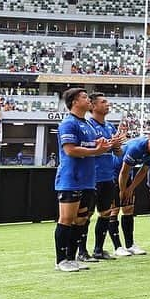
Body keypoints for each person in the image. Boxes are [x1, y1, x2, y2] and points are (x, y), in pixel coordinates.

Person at [52, 88, 113, 272]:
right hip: (71, 178)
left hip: (87, 180)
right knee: (66, 219)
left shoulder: (88, 124)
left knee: (81, 220)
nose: (89, 101)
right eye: (85, 98)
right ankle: (61, 260)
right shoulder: (68, 124)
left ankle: (72, 257)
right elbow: (70, 150)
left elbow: (94, 145)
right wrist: (96, 151)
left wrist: (107, 145)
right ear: (74, 102)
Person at [87, 93, 128, 261]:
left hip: (107, 176)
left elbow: (118, 153)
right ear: (93, 106)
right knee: (85, 215)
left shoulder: (110, 127)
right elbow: (91, 147)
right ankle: (82, 251)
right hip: (92, 177)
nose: (108, 105)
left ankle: (99, 249)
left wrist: (117, 146)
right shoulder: (88, 125)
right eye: (103, 102)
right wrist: (109, 145)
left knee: (106, 213)